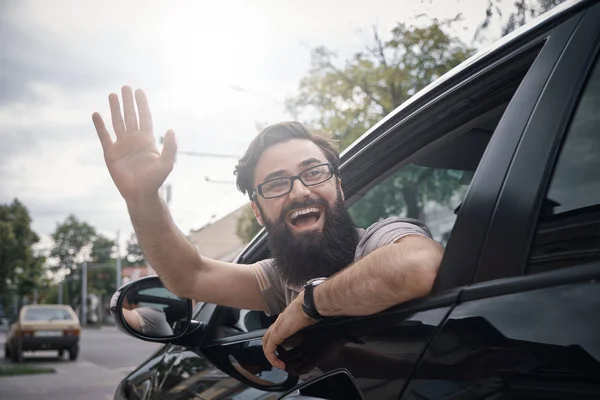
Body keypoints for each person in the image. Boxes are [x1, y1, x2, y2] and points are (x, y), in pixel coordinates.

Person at [92, 86, 444, 369]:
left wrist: (309, 305)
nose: (300, 190)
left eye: (314, 172)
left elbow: (417, 266)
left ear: (338, 186)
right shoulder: (281, 280)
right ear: (257, 212)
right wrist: (143, 199)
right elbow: (189, 276)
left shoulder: (378, 241)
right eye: (276, 184)